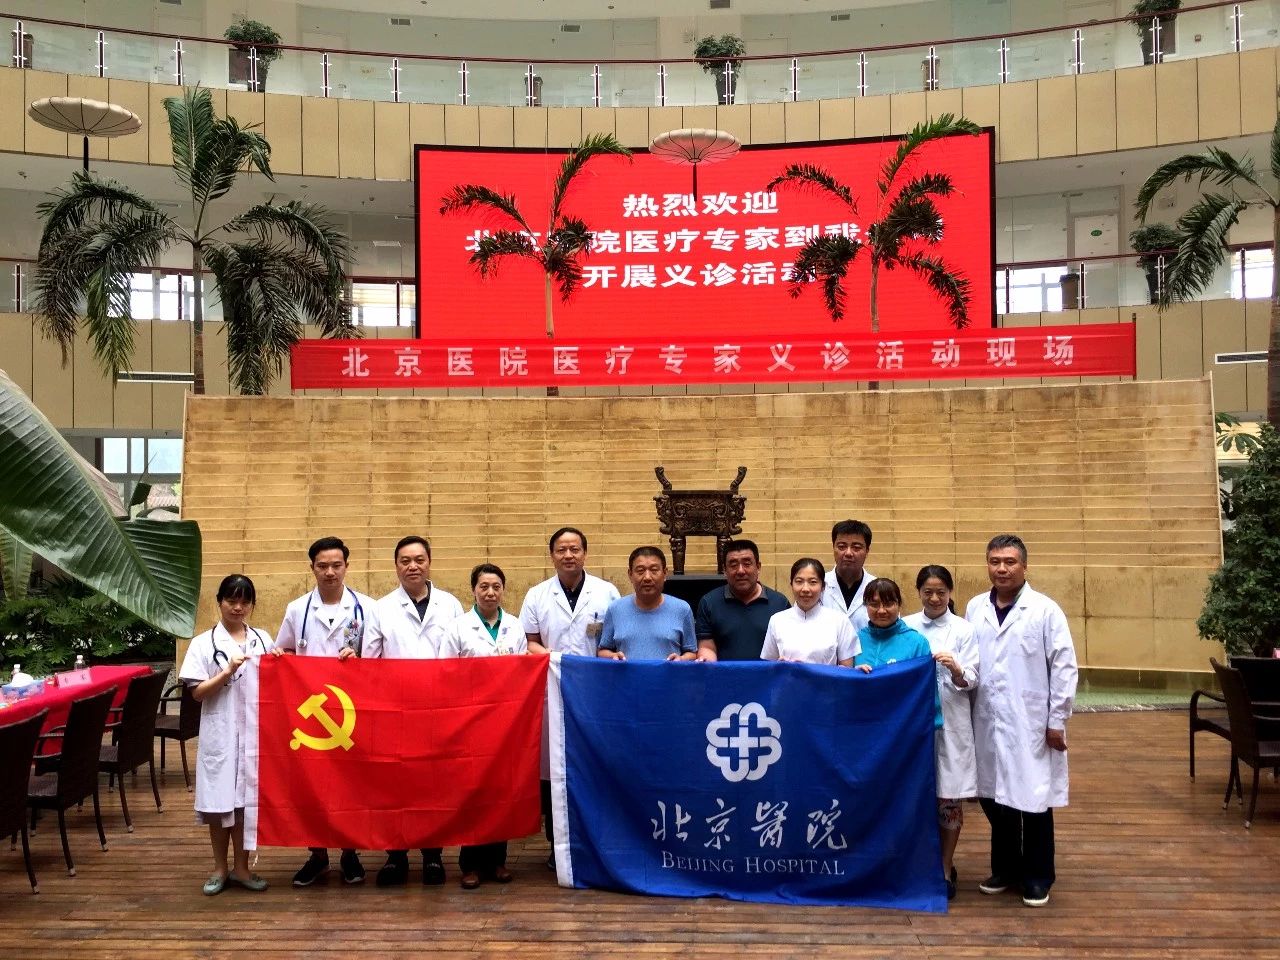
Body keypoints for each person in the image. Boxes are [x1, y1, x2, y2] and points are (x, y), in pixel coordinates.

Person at [966, 534, 1077, 908]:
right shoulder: (975, 607)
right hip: (986, 716)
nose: (1002, 569)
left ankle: (1038, 875)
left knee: (1033, 797)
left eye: (1009, 562)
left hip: (1029, 719)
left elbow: (1064, 666)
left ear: (1024, 566)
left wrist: (1057, 719)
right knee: (995, 795)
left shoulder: (1045, 610)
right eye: (995, 561)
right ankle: (1005, 868)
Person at [274, 536, 382, 888]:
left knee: (351, 783)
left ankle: (350, 853)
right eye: (323, 566)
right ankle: (317, 855)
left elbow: (379, 658)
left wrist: (359, 659)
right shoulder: (297, 609)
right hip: (311, 715)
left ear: (347, 566)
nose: (330, 572)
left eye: (336, 565)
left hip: (352, 711)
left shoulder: (367, 608)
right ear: (312, 568)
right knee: (313, 784)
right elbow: (284, 651)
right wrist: (281, 658)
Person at [519, 526, 620, 869]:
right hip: (553, 692)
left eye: (574, 549)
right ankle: (557, 844)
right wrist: (554, 659)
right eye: (561, 550)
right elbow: (529, 641)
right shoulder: (537, 595)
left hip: (595, 694)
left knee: (592, 766)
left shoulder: (606, 593)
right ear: (552, 556)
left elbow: (613, 641)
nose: (568, 555)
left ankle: (596, 840)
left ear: (585, 554)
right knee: (555, 771)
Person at [371, 535, 464, 888]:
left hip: (438, 709)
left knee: (433, 784)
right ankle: (395, 856)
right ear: (396, 566)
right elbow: (371, 660)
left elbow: (460, 655)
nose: (413, 566)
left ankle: (432, 855)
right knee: (394, 784)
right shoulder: (381, 608)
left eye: (419, 559)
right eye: (405, 561)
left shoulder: (450, 605)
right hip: (395, 710)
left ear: (429, 562)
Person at [179, 574, 274, 896]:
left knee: (246, 804)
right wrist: (227, 671)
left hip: (254, 732)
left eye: (245, 601)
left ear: (252, 605)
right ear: (219, 602)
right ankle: (220, 868)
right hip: (220, 732)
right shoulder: (203, 643)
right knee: (218, 805)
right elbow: (197, 693)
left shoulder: (262, 639)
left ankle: (242, 868)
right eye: (231, 600)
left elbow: (276, 680)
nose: (238, 607)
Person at [440, 562, 527, 889]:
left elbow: (522, 671)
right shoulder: (458, 627)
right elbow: (446, 673)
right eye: (484, 587)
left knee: (501, 790)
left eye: (496, 587)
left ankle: (497, 861)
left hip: (505, 721)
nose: (490, 592)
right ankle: (470, 863)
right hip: (470, 720)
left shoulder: (514, 626)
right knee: (473, 791)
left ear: (503, 590)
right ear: (473, 590)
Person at [904, 566, 978, 901]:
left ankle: (946, 866)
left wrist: (956, 668)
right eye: (928, 592)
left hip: (951, 720)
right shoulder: (906, 626)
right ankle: (918, 863)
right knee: (914, 795)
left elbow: (973, 677)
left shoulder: (963, 629)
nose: (934, 598)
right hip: (914, 724)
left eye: (941, 592)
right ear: (918, 592)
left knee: (949, 795)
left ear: (950, 592)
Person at [694, 538, 790, 662]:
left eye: (747, 564)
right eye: (733, 565)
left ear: (758, 567)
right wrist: (707, 662)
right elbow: (707, 647)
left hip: (768, 674)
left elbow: (787, 647)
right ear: (725, 570)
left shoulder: (780, 603)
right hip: (725, 674)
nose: (740, 571)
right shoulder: (709, 603)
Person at [598, 546, 697, 661]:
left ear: (665, 573)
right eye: (640, 571)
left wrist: (681, 659)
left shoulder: (682, 609)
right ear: (630, 574)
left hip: (668, 673)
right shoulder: (615, 609)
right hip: (627, 673)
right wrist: (612, 656)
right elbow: (602, 650)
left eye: (654, 570)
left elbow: (692, 652)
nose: (647, 577)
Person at [760, 558, 857, 666]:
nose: (805, 589)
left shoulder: (840, 621)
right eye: (799, 581)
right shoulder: (777, 620)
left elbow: (847, 670)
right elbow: (769, 667)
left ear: (823, 586)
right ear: (791, 585)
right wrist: (779, 666)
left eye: (813, 582)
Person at [821, 519, 877, 632]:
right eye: (842, 546)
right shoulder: (818, 586)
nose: (848, 553)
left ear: (867, 551)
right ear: (833, 548)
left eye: (856, 547)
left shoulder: (878, 588)